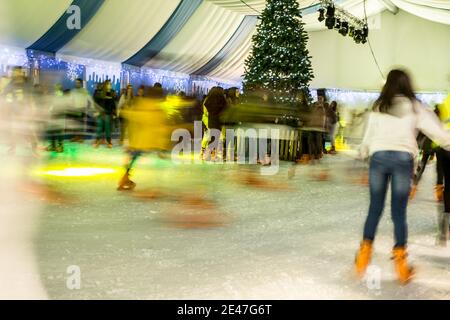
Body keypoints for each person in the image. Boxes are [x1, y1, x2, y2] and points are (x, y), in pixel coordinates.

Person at [354, 69, 450, 284]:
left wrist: (362, 156)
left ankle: (363, 256)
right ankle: (401, 265)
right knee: (398, 212)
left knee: (374, 209)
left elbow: (367, 137)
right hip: (402, 161)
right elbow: (439, 134)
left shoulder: (379, 106)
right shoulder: (415, 106)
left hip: (378, 159)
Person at [94, 79, 117, 148]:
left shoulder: (112, 93)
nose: (110, 85)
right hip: (101, 113)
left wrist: (114, 114)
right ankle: (97, 140)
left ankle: (109, 141)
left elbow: (113, 104)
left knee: (107, 129)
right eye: (108, 84)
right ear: (105, 85)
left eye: (110, 84)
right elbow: (97, 102)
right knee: (99, 128)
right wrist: (96, 111)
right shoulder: (100, 93)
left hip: (108, 113)